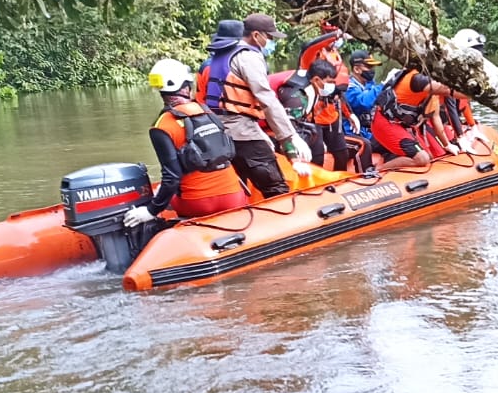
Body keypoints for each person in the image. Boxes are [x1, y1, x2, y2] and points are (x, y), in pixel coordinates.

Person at [122, 58, 249, 230]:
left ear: (161, 91)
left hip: (196, 204)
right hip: (234, 197)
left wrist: (151, 211)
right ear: (187, 86)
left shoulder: (162, 126)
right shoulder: (207, 111)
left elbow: (172, 177)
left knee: (162, 190)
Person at [195, 12, 310, 198]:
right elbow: (267, 100)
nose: (271, 42)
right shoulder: (248, 56)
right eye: (270, 37)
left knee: (239, 184)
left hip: (218, 134)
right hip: (242, 133)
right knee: (276, 188)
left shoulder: (218, 56)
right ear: (256, 35)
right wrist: (291, 136)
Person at [276, 58, 350, 171]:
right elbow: (284, 128)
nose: (332, 86)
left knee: (315, 136)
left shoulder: (315, 89)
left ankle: (317, 173)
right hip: (273, 127)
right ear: (316, 79)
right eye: (330, 82)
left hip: (294, 122)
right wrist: (293, 157)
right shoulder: (298, 97)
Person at [344, 51, 385, 176]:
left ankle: (389, 169)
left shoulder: (369, 85)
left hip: (369, 131)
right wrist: (383, 85)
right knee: (368, 143)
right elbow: (363, 103)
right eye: (369, 67)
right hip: (352, 133)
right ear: (356, 69)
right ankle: (367, 174)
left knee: (393, 140)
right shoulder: (348, 87)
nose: (372, 70)